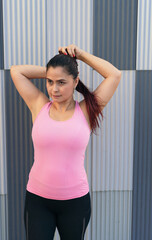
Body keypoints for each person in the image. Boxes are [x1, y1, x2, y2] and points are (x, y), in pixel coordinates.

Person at [10, 44, 122, 240]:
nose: (54, 89)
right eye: (50, 82)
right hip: (38, 201)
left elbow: (114, 75)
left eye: (61, 82)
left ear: (75, 81)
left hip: (75, 203)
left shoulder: (86, 111)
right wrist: (52, 71)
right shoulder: (39, 105)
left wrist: (80, 55)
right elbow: (16, 71)